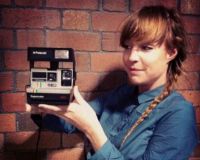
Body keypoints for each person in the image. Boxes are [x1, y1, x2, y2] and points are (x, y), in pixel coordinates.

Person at [27, 5, 198, 160]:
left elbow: (89, 124)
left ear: (171, 52)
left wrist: (93, 131)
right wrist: (41, 108)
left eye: (146, 48)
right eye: (128, 47)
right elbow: (72, 121)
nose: (131, 57)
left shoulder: (178, 113)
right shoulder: (121, 94)